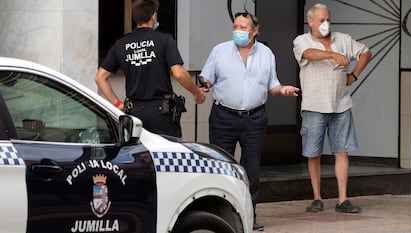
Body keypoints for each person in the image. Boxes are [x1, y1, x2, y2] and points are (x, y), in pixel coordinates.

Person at [199, 12, 299, 231]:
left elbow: (272, 85)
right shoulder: (219, 51)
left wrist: (283, 89)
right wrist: (203, 83)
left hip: (254, 119)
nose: (238, 31)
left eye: (243, 27)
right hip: (223, 117)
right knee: (220, 168)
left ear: (255, 31)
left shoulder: (266, 54)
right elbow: (206, 78)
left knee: (251, 171)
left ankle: (248, 216)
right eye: (236, 26)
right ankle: (219, 217)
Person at [293, 3, 372, 213]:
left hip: (341, 104)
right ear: (310, 21)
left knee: (342, 152)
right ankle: (317, 197)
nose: (326, 24)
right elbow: (309, 54)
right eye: (321, 20)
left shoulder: (343, 39)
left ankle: (343, 200)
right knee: (313, 153)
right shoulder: (302, 41)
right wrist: (331, 55)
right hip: (314, 105)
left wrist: (354, 75)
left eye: (328, 19)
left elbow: (366, 52)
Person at [95, 0, 205, 138]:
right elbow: (179, 74)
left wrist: (117, 103)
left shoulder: (121, 44)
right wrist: (196, 93)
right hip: (161, 113)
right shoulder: (164, 39)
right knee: (168, 155)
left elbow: (100, 78)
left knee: (139, 156)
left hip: (134, 113)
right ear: (154, 16)